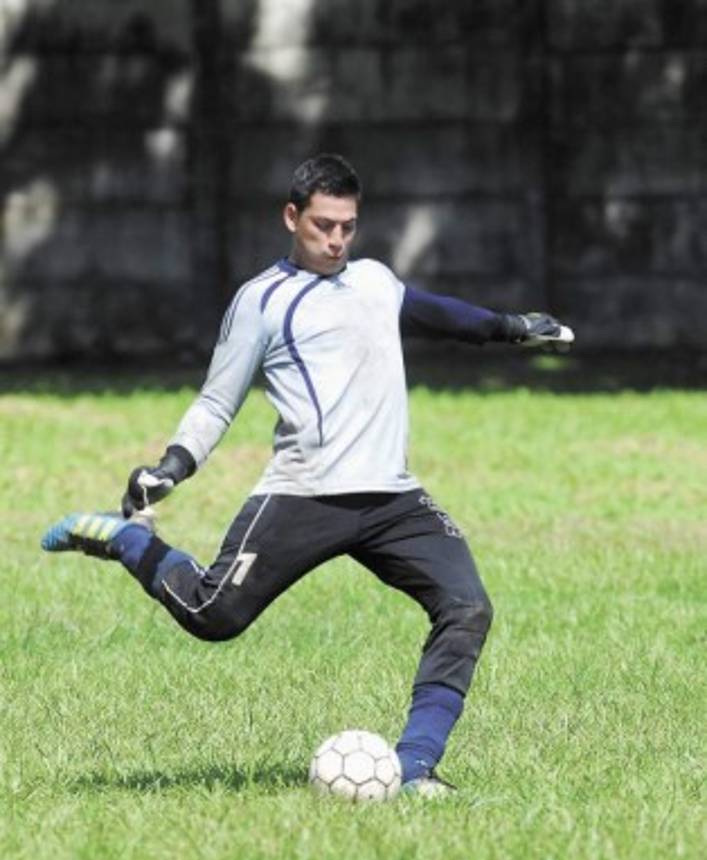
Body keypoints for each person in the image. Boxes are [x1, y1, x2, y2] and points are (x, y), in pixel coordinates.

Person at [42, 153, 574, 797]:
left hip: (392, 497)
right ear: (291, 217)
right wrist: (172, 467)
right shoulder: (262, 302)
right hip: (305, 493)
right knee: (214, 616)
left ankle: (413, 769)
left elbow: (437, 313)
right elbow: (217, 401)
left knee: (466, 607)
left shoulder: (375, 280)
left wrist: (512, 328)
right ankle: (127, 540)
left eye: (348, 226)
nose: (336, 240)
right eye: (323, 225)